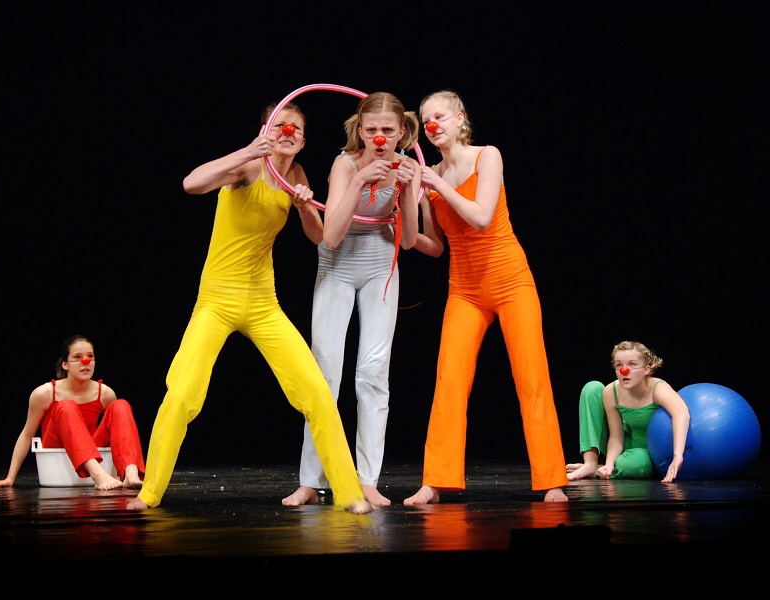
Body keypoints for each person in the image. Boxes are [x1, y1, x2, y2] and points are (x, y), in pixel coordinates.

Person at [126, 102, 372, 514]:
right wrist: (248, 150)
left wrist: (304, 205)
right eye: (280, 125)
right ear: (265, 130)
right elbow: (191, 184)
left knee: (316, 392)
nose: (288, 132)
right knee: (182, 393)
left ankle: (349, 494)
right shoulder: (247, 167)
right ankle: (149, 494)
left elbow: (319, 237)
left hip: (262, 303)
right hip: (217, 300)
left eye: (295, 128)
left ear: (303, 141)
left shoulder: (295, 174)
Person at [403, 90, 569, 504]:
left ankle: (551, 480)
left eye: (440, 116)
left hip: (510, 279)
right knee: (450, 380)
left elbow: (480, 217)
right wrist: (406, 210)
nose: (432, 125)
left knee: (531, 377)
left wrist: (436, 185)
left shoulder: (487, 156)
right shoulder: (430, 175)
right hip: (464, 288)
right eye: (426, 120)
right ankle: (435, 481)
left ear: (460, 118)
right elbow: (432, 246)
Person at [282, 92, 421, 508]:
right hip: (338, 264)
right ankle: (311, 479)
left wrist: (406, 186)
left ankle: (367, 479)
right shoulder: (344, 164)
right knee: (324, 371)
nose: (380, 138)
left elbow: (410, 240)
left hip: (381, 264)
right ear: (360, 130)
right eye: (372, 129)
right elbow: (330, 236)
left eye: (388, 130)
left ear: (401, 132)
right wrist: (361, 180)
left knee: (373, 372)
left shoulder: (407, 168)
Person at [0, 335, 145, 491]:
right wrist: (9, 478)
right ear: (65, 364)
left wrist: (115, 475)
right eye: (77, 357)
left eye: (90, 356)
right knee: (66, 406)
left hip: (90, 448)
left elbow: (118, 434)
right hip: (56, 445)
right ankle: (98, 475)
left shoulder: (105, 393)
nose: (86, 362)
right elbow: (27, 434)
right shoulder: (44, 393)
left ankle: (130, 474)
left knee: (121, 405)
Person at [566, 340, 690, 483]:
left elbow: (681, 413)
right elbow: (616, 437)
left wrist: (677, 455)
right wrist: (609, 463)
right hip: (623, 446)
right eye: (619, 365)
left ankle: (599, 471)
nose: (624, 370)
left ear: (646, 369)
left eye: (632, 364)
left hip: (649, 453)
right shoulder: (612, 391)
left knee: (632, 465)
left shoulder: (657, 388)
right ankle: (590, 464)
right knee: (592, 388)